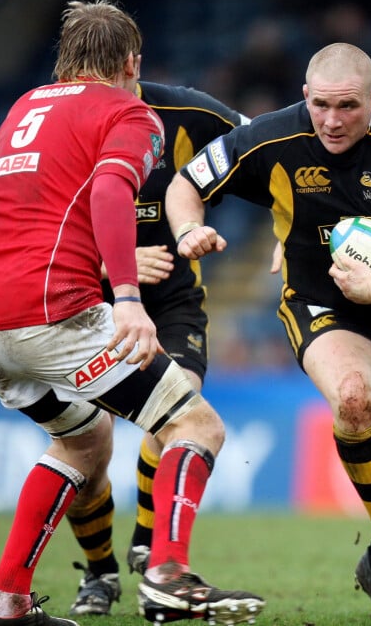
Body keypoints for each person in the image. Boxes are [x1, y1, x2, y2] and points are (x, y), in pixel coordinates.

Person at [0, 0, 264, 626]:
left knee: (84, 439)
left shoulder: (23, 109)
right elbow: (109, 189)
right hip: (53, 315)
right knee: (196, 426)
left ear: (64, 59)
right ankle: (169, 575)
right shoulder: (131, 111)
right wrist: (125, 295)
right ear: (132, 61)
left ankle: (5, 602)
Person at [164, 42, 371, 625]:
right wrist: (188, 230)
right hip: (319, 302)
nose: (333, 121)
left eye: (348, 106)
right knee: (354, 400)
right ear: (304, 98)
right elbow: (185, 182)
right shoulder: (271, 137)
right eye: (321, 106)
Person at [66, 82, 249, 616]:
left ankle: (148, 541)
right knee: (88, 447)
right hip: (83, 303)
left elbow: (274, 146)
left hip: (172, 302)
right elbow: (35, 235)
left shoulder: (192, 114)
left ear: (132, 63)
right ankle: (99, 573)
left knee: (181, 407)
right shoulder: (62, 128)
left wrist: (295, 220)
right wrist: (109, 266)